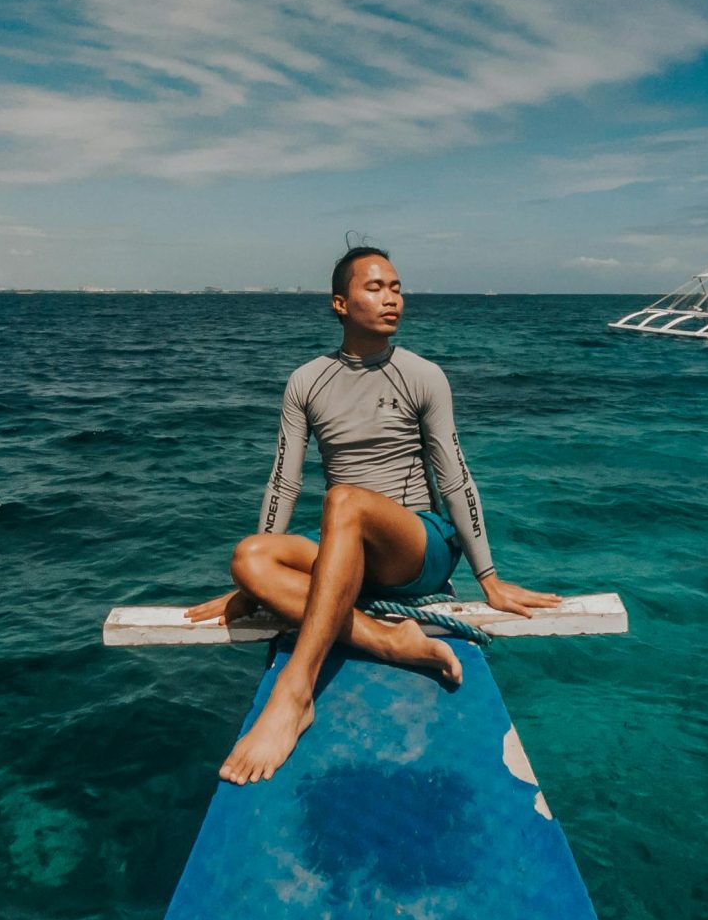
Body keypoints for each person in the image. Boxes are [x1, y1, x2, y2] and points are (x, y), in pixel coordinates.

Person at [188, 246, 561, 784]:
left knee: (344, 499)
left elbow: (455, 476)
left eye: (397, 287)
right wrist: (254, 590)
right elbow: (282, 481)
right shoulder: (306, 382)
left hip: (418, 545)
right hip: (347, 547)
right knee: (249, 556)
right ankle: (387, 639)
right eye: (375, 287)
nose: (392, 298)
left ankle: (296, 694)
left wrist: (489, 577)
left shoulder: (423, 375)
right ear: (340, 303)